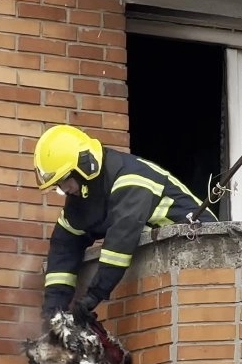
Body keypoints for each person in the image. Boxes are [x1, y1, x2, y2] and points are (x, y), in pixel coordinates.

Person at [32, 123, 217, 325]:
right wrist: (52, 313)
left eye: (64, 180)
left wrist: (93, 296)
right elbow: (63, 248)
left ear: (84, 165)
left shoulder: (132, 179)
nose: (64, 189)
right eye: (57, 187)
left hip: (201, 252)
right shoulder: (82, 197)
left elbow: (120, 241)